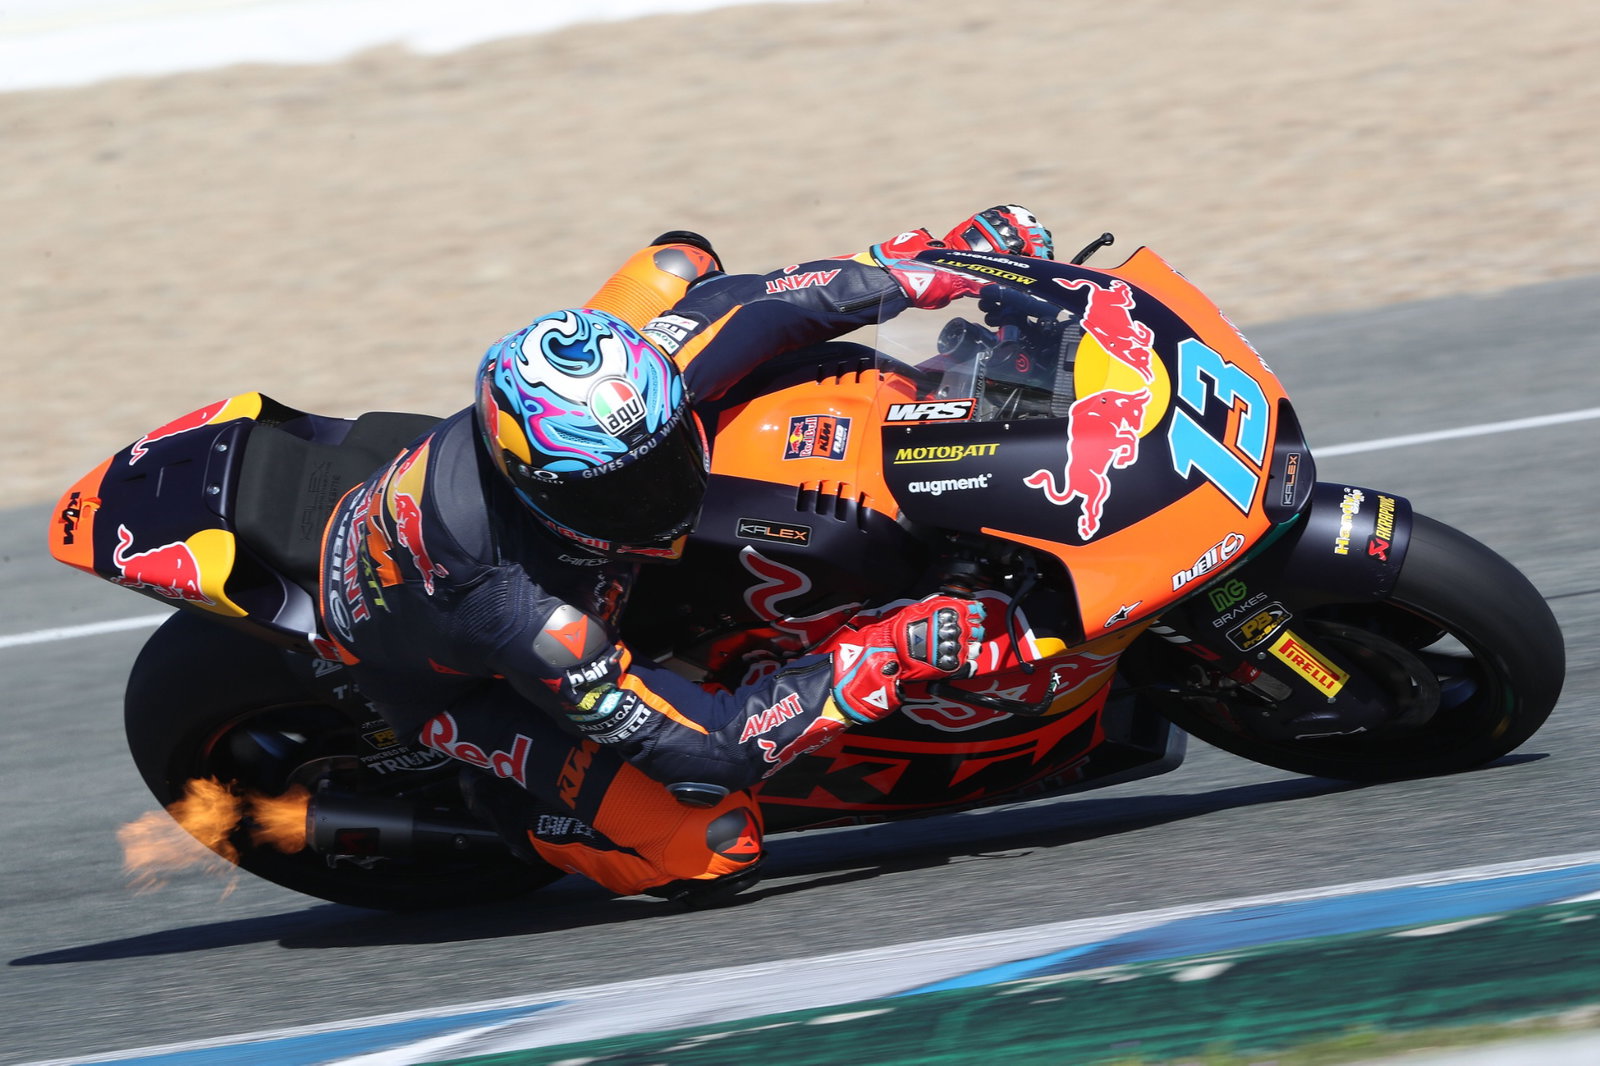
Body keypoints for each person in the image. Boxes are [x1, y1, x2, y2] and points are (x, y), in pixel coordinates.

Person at [316, 206, 1055, 904]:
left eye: (663, 457)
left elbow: (778, 301)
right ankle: (518, 815)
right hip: (448, 677)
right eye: (620, 493)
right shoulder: (526, 616)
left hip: (499, 518)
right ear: (538, 487)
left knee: (684, 263)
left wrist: (942, 265)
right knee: (713, 843)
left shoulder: (643, 379)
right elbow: (709, 749)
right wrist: (887, 650)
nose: (658, 499)